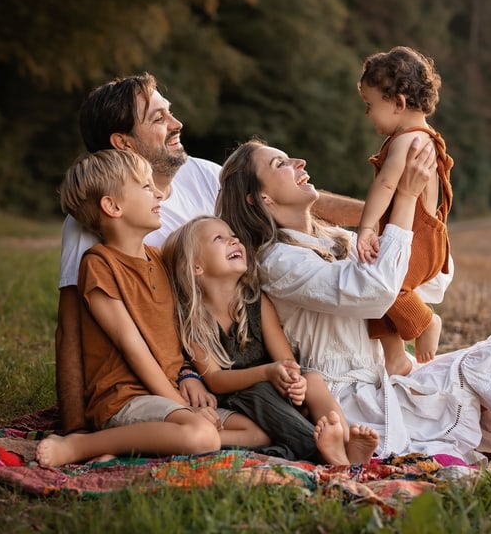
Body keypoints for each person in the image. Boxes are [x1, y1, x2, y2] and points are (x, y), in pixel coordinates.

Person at [216, 137, 491, 467]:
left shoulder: (337, 239)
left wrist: (424, 197)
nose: (300, 161)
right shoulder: (277, 260)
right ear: (260, 198)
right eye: (281, 163)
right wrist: (401, 199)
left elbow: (431, 282)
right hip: (353, 404)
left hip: (390, 379)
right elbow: (375, 292)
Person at [56, 73, 364, 433]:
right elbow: (71, 327)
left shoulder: (200, 175)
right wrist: (74, 428)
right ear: (123, 142)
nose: (177, 124)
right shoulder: (91, 227)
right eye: (158, 119)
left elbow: (284, 194)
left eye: (169, 112)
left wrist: (377, 215)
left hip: (254, 339)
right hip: (199, 367)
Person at [36, 149, 268, 467]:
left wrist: (188, 376)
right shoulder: (99, 264)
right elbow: (133, 348)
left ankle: (139, 443)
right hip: (126, 397)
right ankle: (81, 445)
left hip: (168, 394)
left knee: (258, 431)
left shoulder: (159, 260)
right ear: (112, 206)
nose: (158, 193)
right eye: (146, 187)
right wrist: (185, 410)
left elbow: (172, 335)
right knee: (200, 435)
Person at [162, 215, 379, 465]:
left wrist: (293, 381)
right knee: (259, 392)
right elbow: (216, 379)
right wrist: (267, 373)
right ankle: (323, 451)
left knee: (313, 380)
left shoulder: (256, 302)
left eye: (233, 235)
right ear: (195, 267)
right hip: (239, 396)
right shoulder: (194, 320)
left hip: (275, 384)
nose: (234, 240)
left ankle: (345, 446)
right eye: (219, 238)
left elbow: (285, 359)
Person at [355, 46, 453, 376]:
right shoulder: (419, 137)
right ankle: (395, 357)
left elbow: (384, 186)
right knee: (376, 293)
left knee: (386, 285)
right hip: (412, 234)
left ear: (397, 103)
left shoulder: (408, 141)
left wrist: (366, 228)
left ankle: (426, 322)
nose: (368, 115)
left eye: (370, 106)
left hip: (419, 239)